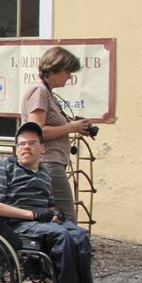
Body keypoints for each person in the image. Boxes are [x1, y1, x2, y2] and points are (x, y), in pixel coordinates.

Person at [0, 122, 112, 283]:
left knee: (80, 235)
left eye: (32, 143)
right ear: (16, 148)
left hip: (42, 222)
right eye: (21, 143)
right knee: (63, 237)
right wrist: (33, 214)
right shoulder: (4, 167)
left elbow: (48, 205)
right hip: (15, 225)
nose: (26, 147)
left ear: (42, 148)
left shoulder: (43, 174)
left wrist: (54, 212)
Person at [21, 46, 95, 221]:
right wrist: (71, 127)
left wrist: (72, 126)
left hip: (51, 162)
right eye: (68, 71)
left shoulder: (46, 92)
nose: (70, 77)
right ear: (54, 69)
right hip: (48, 162)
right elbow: (36, 131)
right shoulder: (40, 91)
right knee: (67, 217)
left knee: (54, 217)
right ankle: (69, 248)